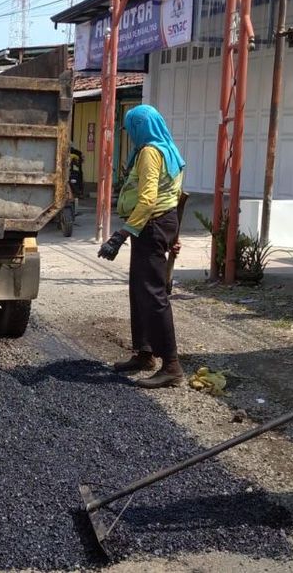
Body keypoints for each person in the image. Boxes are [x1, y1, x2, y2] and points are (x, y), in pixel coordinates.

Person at [97, 105, 185, 388]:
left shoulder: (150, 152)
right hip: (160, 224)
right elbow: (177, 195)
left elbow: (148, 200)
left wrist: (120, 235)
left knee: (154, 293)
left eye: (131, 127)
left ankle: (171, 365)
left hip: (150, 225)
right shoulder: (169, 149)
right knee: (140, 290)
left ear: (140, 127)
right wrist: (175, 233)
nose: (131, 133)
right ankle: (144, 353)